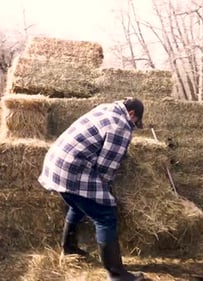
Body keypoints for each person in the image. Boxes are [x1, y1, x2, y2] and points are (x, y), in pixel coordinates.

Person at [38, 97, 145, 281]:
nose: (134, 125)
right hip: (72, 169)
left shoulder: (106, 109)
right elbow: (105, 168)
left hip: (55, 164)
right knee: (105, 215)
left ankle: (69, 248)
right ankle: (116, 274)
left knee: (78, 204)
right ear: (132, 113)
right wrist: (109, 189)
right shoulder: (120, 126)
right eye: (136, 122)